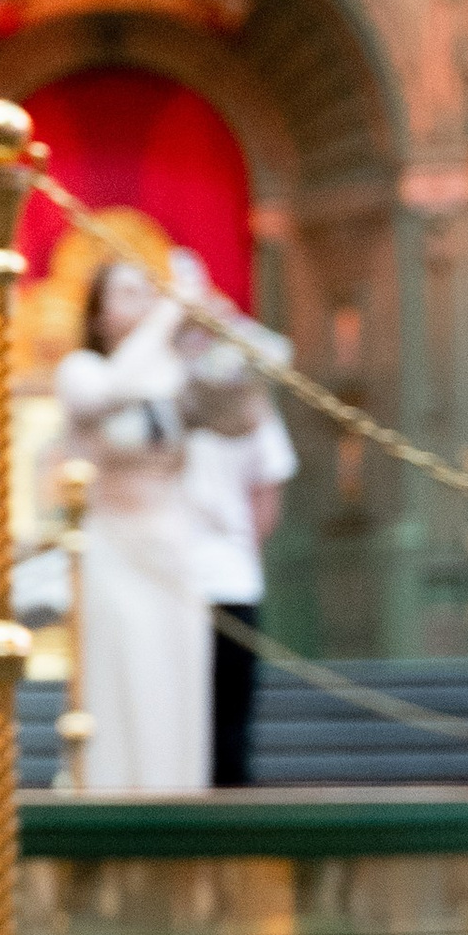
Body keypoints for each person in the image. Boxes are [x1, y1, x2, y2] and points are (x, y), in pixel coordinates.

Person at [53, 255, 209, 794]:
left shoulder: (174, 372)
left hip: (171, 544)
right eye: (125, 293)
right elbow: (106, 394)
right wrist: (169, 314)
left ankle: (178, 803)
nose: (142, 304)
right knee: (123, 677)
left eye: (147, 292)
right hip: (114, 546)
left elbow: (238, 418)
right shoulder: (81, 370)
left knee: (177, 680)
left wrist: (210, 329)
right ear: (97, 314)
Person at [180, 334, 298, 789]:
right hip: (171, 578)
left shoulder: (251, 404)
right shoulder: (164, 390)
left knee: (228, 723)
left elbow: (267, 490)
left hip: (229, 578)